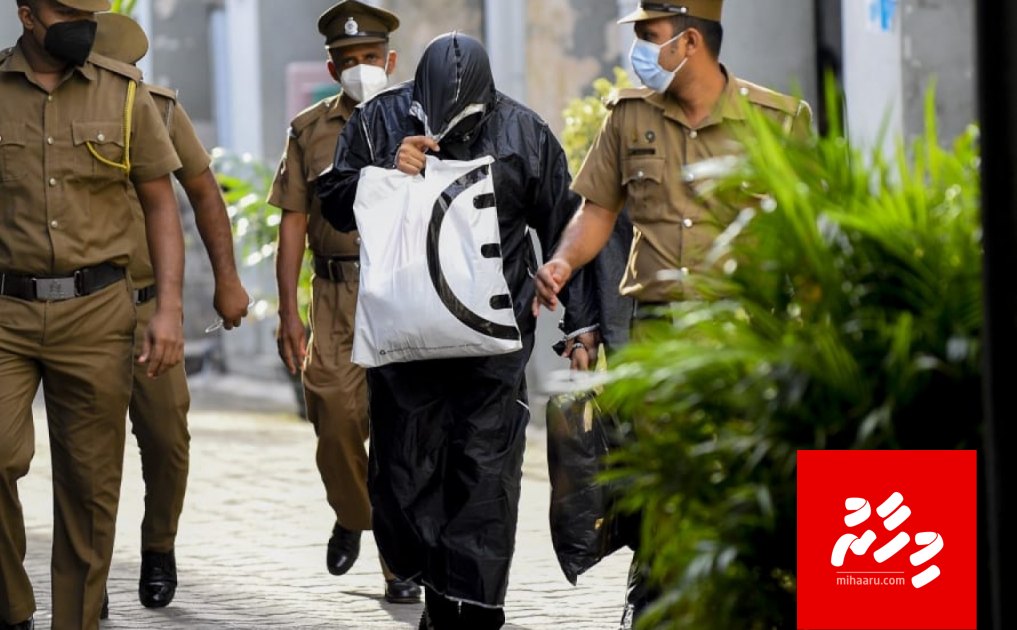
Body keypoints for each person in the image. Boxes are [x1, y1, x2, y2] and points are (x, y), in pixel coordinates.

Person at [0, 1, 187, 628]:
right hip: (0, 312)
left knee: (89, 490)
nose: (83, 23)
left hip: (97, 312)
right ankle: (12, 611)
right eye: (69, 11)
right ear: (28, 14)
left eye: (90, 11)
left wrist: (168, 309)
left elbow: (162, 206)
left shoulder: (125, 95)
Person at [530, 1, 812, 625]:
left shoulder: (777, 121)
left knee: (738, 469)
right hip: (656, 332)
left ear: (689, 42)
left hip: (742, 329)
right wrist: (562, 264)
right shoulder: (629, 118)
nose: (637, 49)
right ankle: (657, 598)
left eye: (649, 36)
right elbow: (598, 210)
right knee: (663, 474)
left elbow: (806, 230)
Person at [318, 31, 583, 629]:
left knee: (485, 473)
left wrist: (579, 320)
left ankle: (480, 610)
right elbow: (333, 201)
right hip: (405, 347)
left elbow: (565, 225)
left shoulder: (525, 133)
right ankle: (438, 594)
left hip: (493, 347)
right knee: (406, 472)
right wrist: (386, 170)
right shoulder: (378, 122)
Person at [90, 12, 251, 612]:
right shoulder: (51, 115)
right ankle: (89, 571)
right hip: (82, 312)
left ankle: (159, 544)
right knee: (90, 450)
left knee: (166, 439)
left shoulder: (155, 109)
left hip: (147, 306)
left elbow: (204, 189)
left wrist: (227, 282)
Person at [267, 0, 422, 605]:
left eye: (369, 58)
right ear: (333, 70)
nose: (361, 68)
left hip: (402, 286)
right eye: (348, 60)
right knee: (332, 414)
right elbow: (292, 221)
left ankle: (397, 562)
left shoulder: (418, 118)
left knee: (396, 431)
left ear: (390, 60)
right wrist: (287, 311)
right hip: (334, 291)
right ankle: (352, 512)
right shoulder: (309, 129)